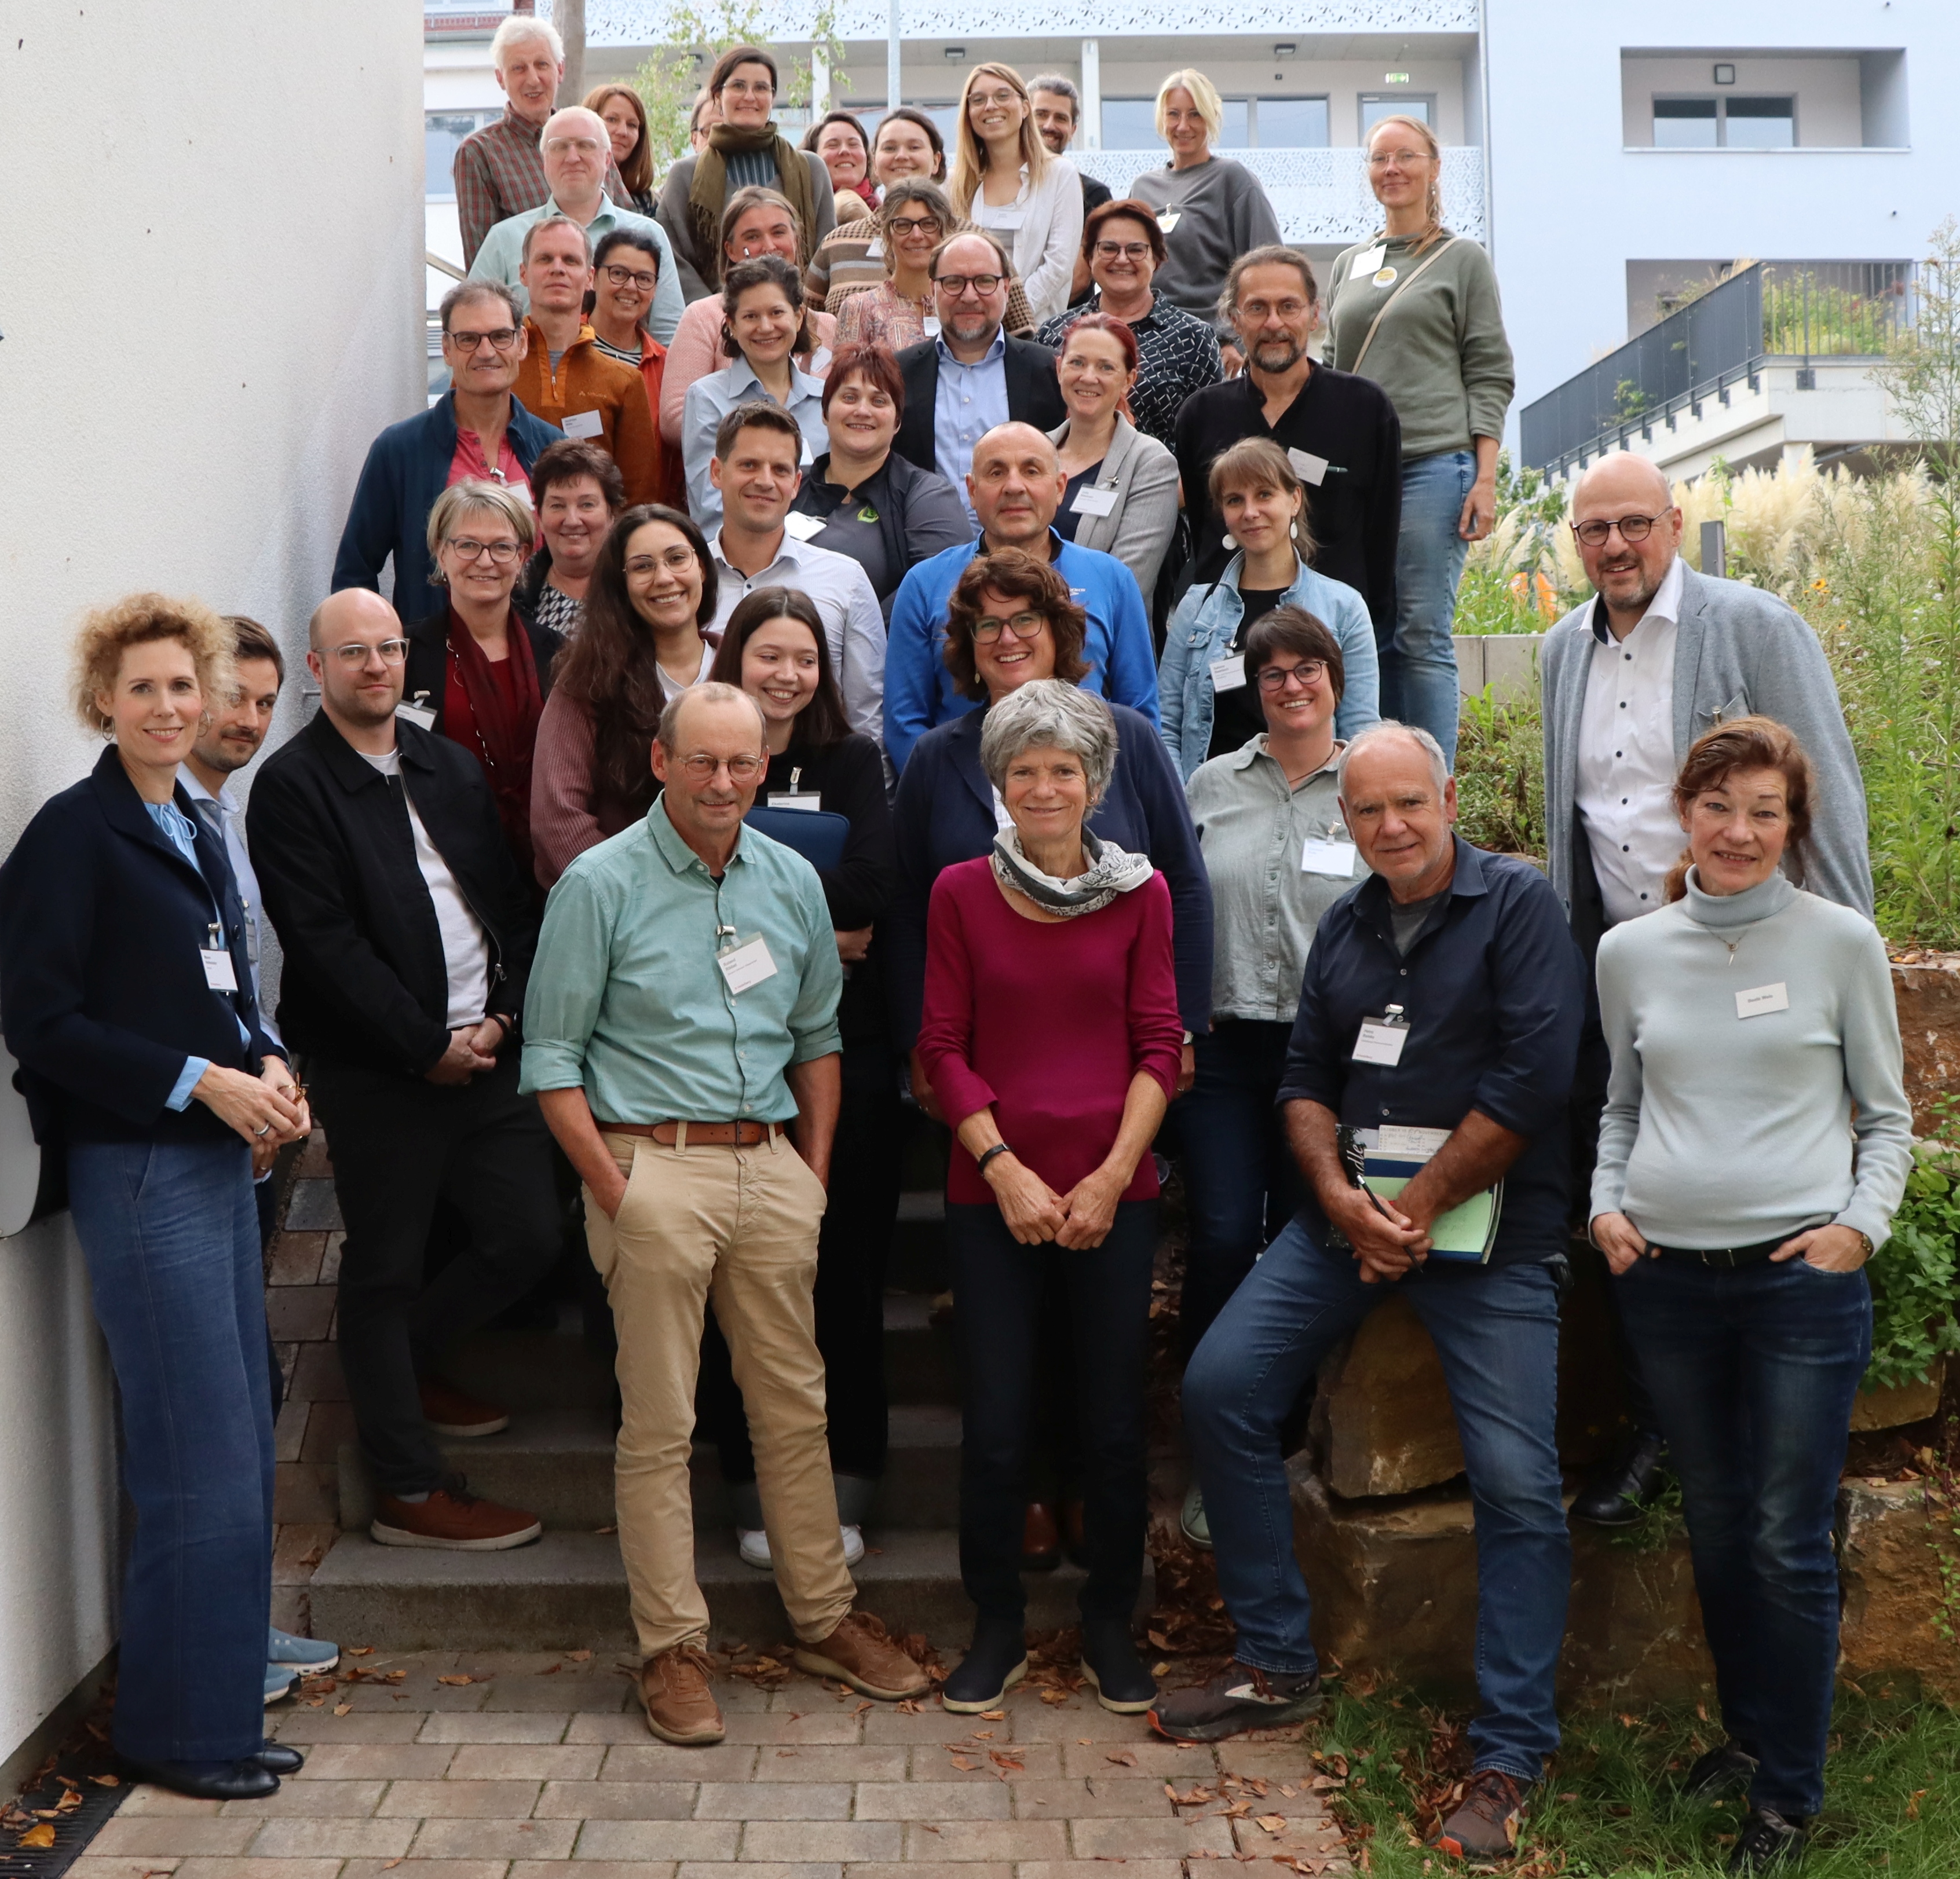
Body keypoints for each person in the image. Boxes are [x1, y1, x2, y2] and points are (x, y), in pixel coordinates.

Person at [1157, 721, 1581, 1868]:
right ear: (1344, 821)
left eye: (1407, 803)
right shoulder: (1345, 923)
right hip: (1349, 1222)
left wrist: (1424, 1202)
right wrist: (1342, 1197)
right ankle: (1277, 1660)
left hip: (1489, 1235)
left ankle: (1508, 1750)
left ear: (1447, 795)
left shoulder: (1520, 906)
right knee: (1223, 1385)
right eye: (1364, 812)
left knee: (1518, 1482)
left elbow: (1538, 1073)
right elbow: (1303, 1077)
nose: (1389, 826)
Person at [519, 682, 930, 1744]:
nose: (721, 783)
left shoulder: (791, 879)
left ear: (763, 768)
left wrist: (813, 1172)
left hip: (770, 1172)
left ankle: (822, 1617)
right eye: (700, 761)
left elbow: (819, 1038)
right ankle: (671, 1651)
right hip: (651, 1168)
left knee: (794, 1409)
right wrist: (616, 1191)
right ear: (660, 763)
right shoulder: (598, 886)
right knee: (659, 1425)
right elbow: (550, 1058)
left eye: (740, 764)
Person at [0, 595, 308, 1801]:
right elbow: (40, 1018)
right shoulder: (73, 835)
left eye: (189, 687)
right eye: (146, 690)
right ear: (103, 703)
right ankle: (177, 1735)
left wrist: (268, 1056)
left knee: (236, 1442)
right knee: (195, 1457)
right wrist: (204, 1081)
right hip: (138, 1163)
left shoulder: (194, 820)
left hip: (215, 1157)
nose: (173, 708)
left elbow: (229, 981)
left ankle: (221, 1709)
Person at [1590, 717, 1911, 1874]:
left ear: (1793, 825)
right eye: (1720, 805)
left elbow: (1888, 1115)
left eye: (1764, 811)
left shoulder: (1839, 942)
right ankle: (1750, 1734)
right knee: (1720, 1526)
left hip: (1797, 1287)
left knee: (1786, 1534)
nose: (1739, 830)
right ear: (1686, 809)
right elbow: (1622, 1105)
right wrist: (1606, 1204)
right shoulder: (1632, 950)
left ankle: (1787, 1788)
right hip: (1667, 1281)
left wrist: (1856, 1228)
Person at [1542, 450, 1874, 1528]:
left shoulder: (1751, 627)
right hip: (1629, 973)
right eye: (1593, 531)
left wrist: (1838, 957)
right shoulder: (1559, 652)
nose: (1613, 548)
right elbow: (1571, 825)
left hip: (1757, 963)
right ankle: (1658, 1430)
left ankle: (1781, 1433)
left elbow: (1821, 796)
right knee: (1628, 1201)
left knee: (1774, 1188)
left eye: (1633, 525)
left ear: (1673, 524)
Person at [247, 589, 560, 1554]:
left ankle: (409, 1360)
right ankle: (407, 1489)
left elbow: (509, 905)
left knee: (527, 1238)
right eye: (353, 653)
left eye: (388, 649)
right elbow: (326, 947)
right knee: (382, 1270)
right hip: (380, 1074)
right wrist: (425, 1046)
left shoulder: (447, 767)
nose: (376, 666)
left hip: (488, 1051)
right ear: (317, 669)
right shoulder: (293, 788)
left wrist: (504, 1015)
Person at [916, 679, 1182, 1714]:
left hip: (1115, 1192)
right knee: (995, 1421)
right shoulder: (957, 893)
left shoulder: (1141, 893)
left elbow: (1159, 1041)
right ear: (998, 782)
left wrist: (1113, 1176)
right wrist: (1005, 1170)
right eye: (1021, 769)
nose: (1041, 786)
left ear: (1093, 783)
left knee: (1113, 1419)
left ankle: (1110, 1623)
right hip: (993, 1195)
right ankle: (996, 1627)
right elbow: (939, 1046)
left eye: (1061, 768)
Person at [697, 592, 904, 1566]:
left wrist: (750, 893)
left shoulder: (852, 762)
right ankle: (749, 1487)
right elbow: (689, 875)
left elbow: (872, 891)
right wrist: (820, 928)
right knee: (740, 1284)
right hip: (725, 1060)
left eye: (803, 659)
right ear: (733, 659)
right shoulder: (706, 758)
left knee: (844, 1279)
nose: (784, 675)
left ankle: (846, 1482)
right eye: (766, 656)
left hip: (843, 1061)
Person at [180, 619, 348, 1695]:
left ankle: (245, 1626)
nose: (244, 719)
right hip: (178, 1151)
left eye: (260, 702)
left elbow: (240, 982)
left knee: (248, 1398)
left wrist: (275, 1056)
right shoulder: (149, 826)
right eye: (228, 698)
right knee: (203, 1413)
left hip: (249, 1135)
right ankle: (214, 1650)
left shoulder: (224, 818)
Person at [1172, 607, 1359, 1550]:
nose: (1290, 685)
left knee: (1304, 1244)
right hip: (1220, 1051)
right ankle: (1214, 1452)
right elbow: (1170, 905)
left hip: (1321, 1060)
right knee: (1215, 1237)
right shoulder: (1208, 784)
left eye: (1305, 669)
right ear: (1252, 686)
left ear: (1334, 676)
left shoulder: (1366, 784)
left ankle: (1288, 1445)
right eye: (1272, 672)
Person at [889, 547, 1211, 1076]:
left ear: (1058, 630)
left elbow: (1184, 881)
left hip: (1116, 1039)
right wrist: (919, 1044)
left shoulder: (1128, 736)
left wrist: (1183, 1026)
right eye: (987, 625)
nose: (1007, 638)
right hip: (974, 1046)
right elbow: (906, 909)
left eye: (1024, 619)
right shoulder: (934, 756)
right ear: (969, 646)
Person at [1325, 116, 1514, 765]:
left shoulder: (1463, 260)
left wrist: (1485, 476)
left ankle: (1431, 786)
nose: (1392, 168)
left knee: (1421, 632)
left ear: (1434, 167)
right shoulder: (1350, 263)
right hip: (1355, 474)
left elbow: (1489, 369)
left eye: (1406, 156)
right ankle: (1371, 774)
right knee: (1364, 630)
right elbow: (1329, 366)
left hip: (1435, 463)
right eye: (1380, 158)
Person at [884, 423, 1158, 771]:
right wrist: (954, 797)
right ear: (971, 490)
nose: (1014, 487)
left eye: (1031, 471)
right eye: (996, 472)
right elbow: (904, 720)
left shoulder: (1113, 578)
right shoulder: (924, 584)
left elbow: (1140, 711)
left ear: (1060, 488)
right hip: (964, 794)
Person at [1176, 246, 1402, 621]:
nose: (1274, 323)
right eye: (1257, 308)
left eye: (1288, 306)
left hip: (1334, 631)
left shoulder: (1365, 409)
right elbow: (1204, 531)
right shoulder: (1201, 416)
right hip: (1228, 630)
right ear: (1234, 318)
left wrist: (1373, 633)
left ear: (1315, 315)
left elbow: (1382, 537)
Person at [335, 281, 562, 627]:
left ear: (522, 344)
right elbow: (355, 572)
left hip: (539, 660)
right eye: (468, 339)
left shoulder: (554, 449)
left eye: (500, 336)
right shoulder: (399, 451)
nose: (486, 352)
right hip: (434, 665)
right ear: (446, 348)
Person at [1160, 438, 1379, 778]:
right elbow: (1166, 725)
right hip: (1214, 812)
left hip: (1311, 808)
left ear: (1294, 499)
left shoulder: (1344, 608)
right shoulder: (1196, 606)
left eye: (1264, 494)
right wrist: (1185, 809)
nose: (1250, 512)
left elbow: (1361, 734)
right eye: (1235, 500)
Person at [531, 504, 719, 887]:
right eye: (643, 566)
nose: (664, 578)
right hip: (629, 910)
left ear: (701, 566)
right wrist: (632, 900)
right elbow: (557, 818)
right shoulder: (587, 682)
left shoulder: (745, 666)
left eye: (677, 558)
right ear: (620, 584)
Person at [405, 479, 564, 882]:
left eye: (501, 547)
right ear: (441, 552)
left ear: (523, 556)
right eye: (467, 545)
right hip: (441, 863)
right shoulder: (405, 655)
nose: (485, 560)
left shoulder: (559, 654)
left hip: (546, 860)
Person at [702, 404, 887, 745]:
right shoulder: (685, 582)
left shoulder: (845, 580)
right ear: (717, 472)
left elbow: (868, 716)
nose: (765, 481)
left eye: (781, 470)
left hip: (817, 786)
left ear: (796, 483)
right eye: (749, 465)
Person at [468, 105, 682, 343]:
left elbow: (670, 336)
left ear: (607, 159)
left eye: (585, 145)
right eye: (559, 147)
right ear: (544, 160)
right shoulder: (504, 238)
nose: (572, 157)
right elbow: (468, 327)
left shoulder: (648, 234)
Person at [788, 343, 972, 619]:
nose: (863, 411)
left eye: (879, 401)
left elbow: (940, 589)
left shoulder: (929, 497)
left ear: (897, 421)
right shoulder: (789, 489)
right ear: (825, 413)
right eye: (849, 398)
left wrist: (850, 637)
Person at [891, 233, 1067, 511]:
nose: (969, 296)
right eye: (953, 282)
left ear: (1007, 287)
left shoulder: (1048, 371)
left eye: (985, 282)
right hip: (922, 544)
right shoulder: (898, 373)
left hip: (1021, 544)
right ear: (933, 289)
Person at [1036, 200, 1223, 451]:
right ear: (1090, 258)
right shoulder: (1053, 334)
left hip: (1163, 484)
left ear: (1156, 259)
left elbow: (1212, 434)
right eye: (1109, 248)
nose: (1122, 259)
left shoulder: (1194, 338)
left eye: (1136, 250)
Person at [661, 188, 841, 447]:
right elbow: (675, 417)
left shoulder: (827, 326)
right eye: (753, 236)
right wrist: (767, 443)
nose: (769, 246)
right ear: (731, 250)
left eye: (779, 232)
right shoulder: (703, 316)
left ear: (796, 239)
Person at [656, 46, 836, 303]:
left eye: (761, 88)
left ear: (772, 97)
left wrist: (791, 309)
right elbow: (674, 260)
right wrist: (722, 313)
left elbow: (825, 253)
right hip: (715, 324)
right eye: (739, 86)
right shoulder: (686, 175)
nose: (750, 97)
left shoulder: (811, 170)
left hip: (798, 319)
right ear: (718, 95)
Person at [452, 16, 632, 268]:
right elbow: (484, 266)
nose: (533, 79)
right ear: (500, 78)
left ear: (560, 70)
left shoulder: (591, 136)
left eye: (542, 64)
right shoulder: (479, 154)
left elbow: (631, 227)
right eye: (518, 68)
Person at [509, 217, 665, 505]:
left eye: (570, 260)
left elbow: (638, 496)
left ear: (590, 277)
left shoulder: (624, 382)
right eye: (545, 259)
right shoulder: (493, 368)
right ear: (523, 273)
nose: (558, 269)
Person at [682, 257, 829, 528]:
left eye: (776, 313)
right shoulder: (707, 398)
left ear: (798, 318)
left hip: (819, 555)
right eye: (751, 316)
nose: (765, 327)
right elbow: (710, 506)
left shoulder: (826, 400)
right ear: (732, 325)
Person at [1124, 71, 1282, 318]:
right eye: (1173, 114)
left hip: (1212, 337)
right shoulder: (1142, 188)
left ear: (1211, 118)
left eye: (1195, 114)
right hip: (1149, 335)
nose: (1183, 126)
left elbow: (1267, 271)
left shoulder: (1234, 180)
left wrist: (1233, 339)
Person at [1045, 313, 1179, 598]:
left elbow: (1125, 583)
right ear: (1060, 369)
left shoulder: (1151, 464)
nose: (1088, 377)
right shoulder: (1032, 452)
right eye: (1077, 363)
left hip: (1099, 634)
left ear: (1128, 379)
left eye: (1106, 367)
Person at [948, 63, 1081, 328]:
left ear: (1025, 107)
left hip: (1036, 334)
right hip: (969, 334)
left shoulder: (1060, 174)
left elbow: (1059, 266)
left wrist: (1007, 313)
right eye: (978, 100)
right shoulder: (956, 182)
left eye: (1002, 96)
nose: (991, 106)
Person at [584, 229, 682, 508]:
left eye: (644, 279)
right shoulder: (564, 350)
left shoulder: (666, 366)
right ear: (592, 277)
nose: (631, 287)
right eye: (618, 273)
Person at [513, 437, 626, 637]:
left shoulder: (637, 583)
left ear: (612, 515)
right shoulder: (515, 594)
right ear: (539, 516)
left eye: (587, 505)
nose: (572, 520)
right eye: (557, 506)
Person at [833, 182, 951, 352]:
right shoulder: (860, 308)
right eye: (903, 225)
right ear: (888, 234)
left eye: (929, 224)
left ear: (944, 230)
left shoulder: (958, 305)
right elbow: (847, 377)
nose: (917, 235)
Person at [587, 82, 656, 215]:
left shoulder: (646, 202)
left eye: (632, 125)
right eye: (612, 119)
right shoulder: (569, 195)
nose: (622, 132)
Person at [804, 109, 878, 217]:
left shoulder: (889, 212)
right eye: (833, 145)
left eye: (853, 144)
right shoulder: (797, 212)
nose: (845, 151)